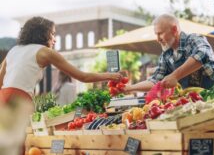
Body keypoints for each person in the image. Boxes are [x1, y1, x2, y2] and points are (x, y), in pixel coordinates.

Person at [0, 16, 122, 155]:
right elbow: (82, 76)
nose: (55, 39)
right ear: (42, 34)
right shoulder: (44, 51)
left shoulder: (14, 50)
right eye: (52, 34)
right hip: (19, 99)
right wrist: (109, 76)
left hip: (3, 97)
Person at [124, 14, 214, 94]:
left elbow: (203, 54)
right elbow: (155, 81)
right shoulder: (166, 55)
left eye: (160, 33)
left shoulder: (194, 39)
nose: (158, 39)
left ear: (174, 30)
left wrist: (175, 76)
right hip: (197, 103)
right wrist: (129, 88)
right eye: (156, 34)